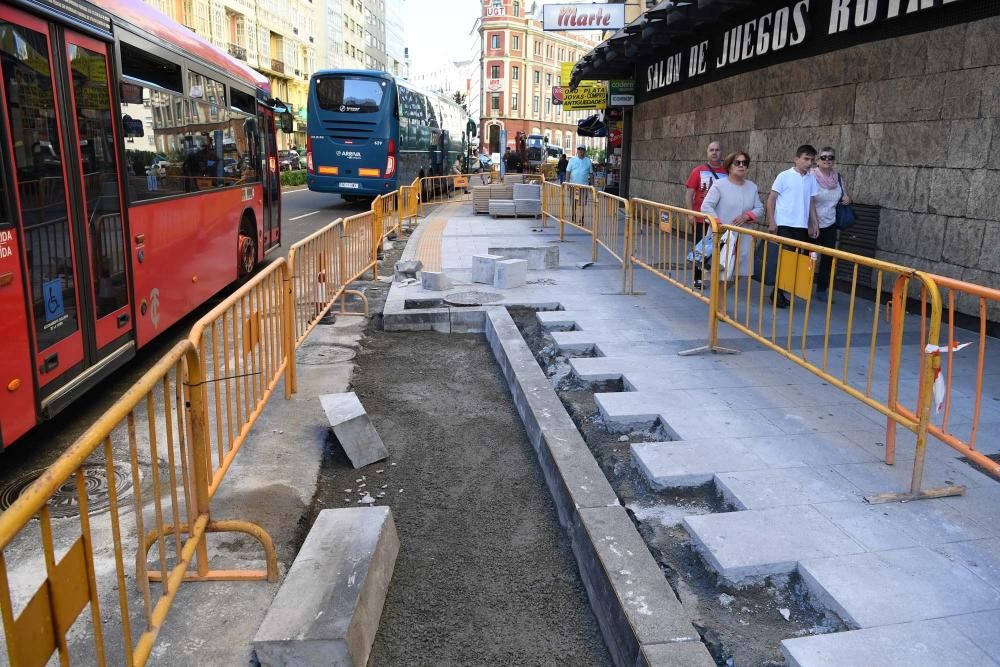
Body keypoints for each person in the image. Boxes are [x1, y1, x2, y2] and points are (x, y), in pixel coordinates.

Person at [767, 144, 821, 308]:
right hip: (785, 224)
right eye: (805, 159)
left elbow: (811, 202)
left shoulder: (811, 178)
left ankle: (779, 292)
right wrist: (772, 221)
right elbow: (771, 199)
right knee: (786, 259)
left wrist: (814, 223)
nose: (808, 162)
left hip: (801, 226)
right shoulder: (784, 176)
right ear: (796, 159)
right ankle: (778, 293)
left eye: (811, 160)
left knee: (797, 261)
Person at [700, 151, 764, 281]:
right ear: (729, 166)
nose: (741, 165)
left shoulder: (752, 187)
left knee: (737, 273)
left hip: (743, 237)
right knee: (720, 272)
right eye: (737, 162)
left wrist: (747, 216)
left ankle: (719, 299)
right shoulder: (719, 185)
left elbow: (760, 208)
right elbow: (706, 206)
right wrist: (719, 224)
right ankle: (718, 300)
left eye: (744, 163)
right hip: (722, 236)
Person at [685, 140, 726, 288]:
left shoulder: (727, 172)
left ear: (721, 153)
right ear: (707, 153)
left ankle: (715, 276)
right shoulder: (698, 171)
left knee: (719, 249)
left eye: (717, 150)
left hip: (720, 219)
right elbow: (689, 194)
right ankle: (698, 278)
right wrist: (690, 213)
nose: (715, 152)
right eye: (712, 150)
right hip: (701, 218)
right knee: (701, 248)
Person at [811, 146, 850, 302]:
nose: (827, 160)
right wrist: (812, 223)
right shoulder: (811, 176)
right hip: (812, 223)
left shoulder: (838, 178)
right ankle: (803, 285)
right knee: (810, 256)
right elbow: (808, 200)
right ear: (818, 160)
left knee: (827, 258)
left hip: (831, 223)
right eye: (824, 157)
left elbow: (843, 195)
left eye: (831, 157)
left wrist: (848, 199)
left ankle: (821, 289)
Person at [566, 144, 593, 223]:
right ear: (577, 150)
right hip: (574, 186)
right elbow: (568, 171)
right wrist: (567, 183)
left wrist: (592, 186)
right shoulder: (572, 160)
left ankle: (581, 218)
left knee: (582, 203)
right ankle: (573, 216)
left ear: (584, 151)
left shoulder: (588, 161)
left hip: (584, 186)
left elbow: (591, 174)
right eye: (579, 149)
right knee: (574, 202)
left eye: (582, 149)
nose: (580, 150)